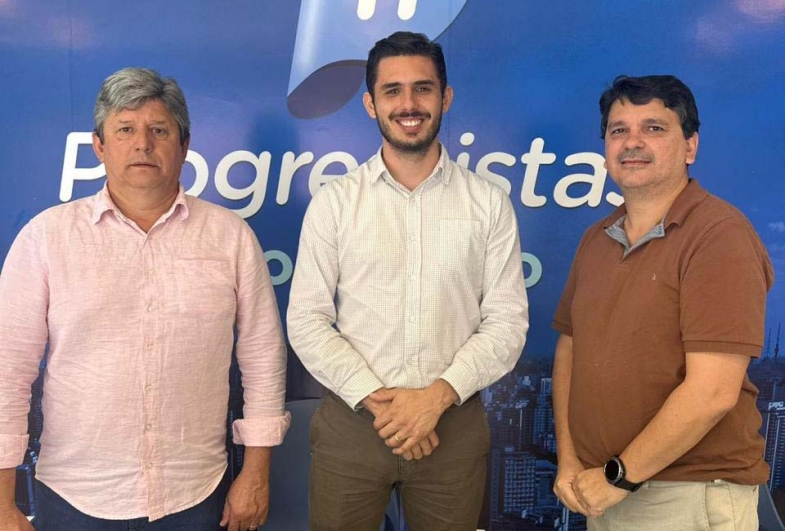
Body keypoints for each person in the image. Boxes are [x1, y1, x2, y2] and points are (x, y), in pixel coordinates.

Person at [0, 67, 289, 531]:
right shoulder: (47, 238)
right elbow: (8, 369)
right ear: (99, 145)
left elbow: (262, 356)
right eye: (125, 130)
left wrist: (256, 474)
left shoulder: (230, 237)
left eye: (159, 130)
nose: (142, 145)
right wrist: (2, 503)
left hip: (195, 492)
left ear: (184, 144)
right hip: (75, 496)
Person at [287, 31, 529, 531]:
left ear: (446, 97)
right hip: (353, 426)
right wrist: (386, 407)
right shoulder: (335, 204)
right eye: (392, 91)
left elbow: (507, 323)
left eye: (423, 88)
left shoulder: (488, 204)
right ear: (371, 104)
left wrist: (434, 399)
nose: (409, 104)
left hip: (452, 427)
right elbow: (307, 320)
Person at [552, 74, 773, 530]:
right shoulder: (596, 240)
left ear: (690, 146)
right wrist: (570, 460)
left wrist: (619, 475)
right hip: (602, 491)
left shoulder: (719, 235)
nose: (633, 142)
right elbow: (570, 351)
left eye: (653, 128)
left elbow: (713, 392)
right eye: (619, 130)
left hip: (688, 496)